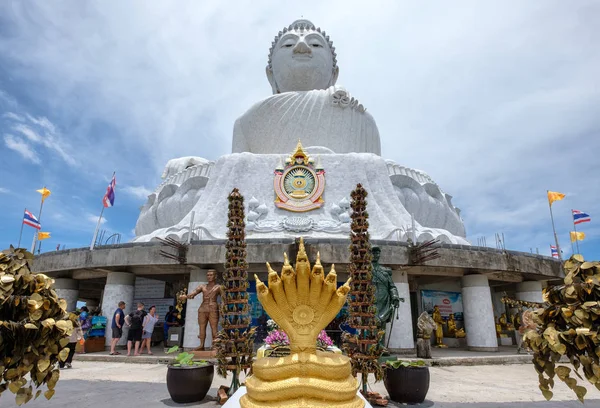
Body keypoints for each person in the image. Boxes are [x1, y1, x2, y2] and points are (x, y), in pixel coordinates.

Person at [179, 269, 223, 350]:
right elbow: (193, 293)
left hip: (213, 308)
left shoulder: (219, 287)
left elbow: (224, 299)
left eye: (211, 275)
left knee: (214, 328)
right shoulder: (202, 286)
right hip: (202, 308)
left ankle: (216, 346)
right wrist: (185, 296)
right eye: (208, 275)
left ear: (215, 276)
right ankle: (201, 345)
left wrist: (223, 309)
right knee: (201, 327)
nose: (209, 277)